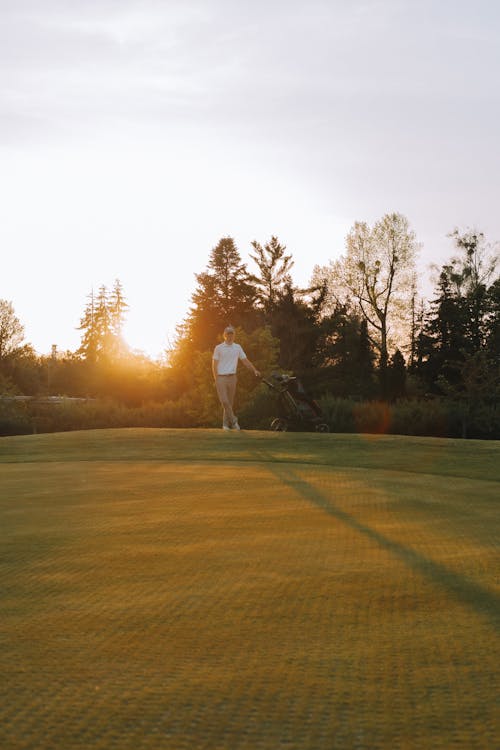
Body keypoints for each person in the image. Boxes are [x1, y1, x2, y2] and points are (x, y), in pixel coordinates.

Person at [212, 325, 261, 430]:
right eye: (228, 334)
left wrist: (254, 370)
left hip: (232, 378)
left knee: (229, 403)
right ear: (224, 335)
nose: (230, 336)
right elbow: (214, 365)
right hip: (220, 378)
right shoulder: (218, 348)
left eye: (232, 334)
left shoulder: (237, 347)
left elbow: (245, 361)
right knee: (224, 401)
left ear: (234, 335)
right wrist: (216, 379)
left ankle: (225, 425)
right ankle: (234, 421)